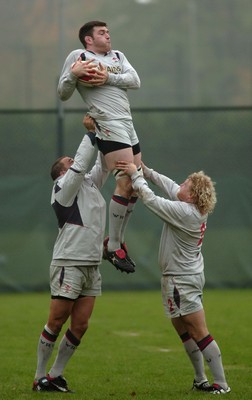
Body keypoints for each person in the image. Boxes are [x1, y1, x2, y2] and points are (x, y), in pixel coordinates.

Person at [116, 160, 231, 394]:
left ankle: (222, 384)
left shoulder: (186, 212)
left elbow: (151, 200)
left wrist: (135, 177)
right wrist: (145, 171)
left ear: (192, 195)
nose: (181, 184)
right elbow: (169, 185)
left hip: (182, 279)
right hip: (179, 277)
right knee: (183, 329)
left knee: (199, 331)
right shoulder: (189, 206)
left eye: (186, 183)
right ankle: (200, 379)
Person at [58, 20, 142, 275]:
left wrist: (109, 77)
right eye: (102, 33)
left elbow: (135, 80)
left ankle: (115, 241)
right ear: (88, 39)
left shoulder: (118, 56)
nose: (108, 36)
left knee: (136, 186)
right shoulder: (79, 57)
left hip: (127, 123)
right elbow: (63, 92)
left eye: (108, 32)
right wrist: (74, 74)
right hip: (107, 122)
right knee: (126, 181)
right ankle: (114, 246)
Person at [32, 116, 109, 392]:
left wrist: (104, 128)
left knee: (81, 323)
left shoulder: (87, 184)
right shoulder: (62, 188)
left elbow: (102, 164)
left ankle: (55, 375)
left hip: (91, 264)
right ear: (61, 172)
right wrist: (90, 134)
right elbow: (80, 166)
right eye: (69, 161)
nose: (75, 162)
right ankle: (39, 377)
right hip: (69, 262)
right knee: (56, 320)